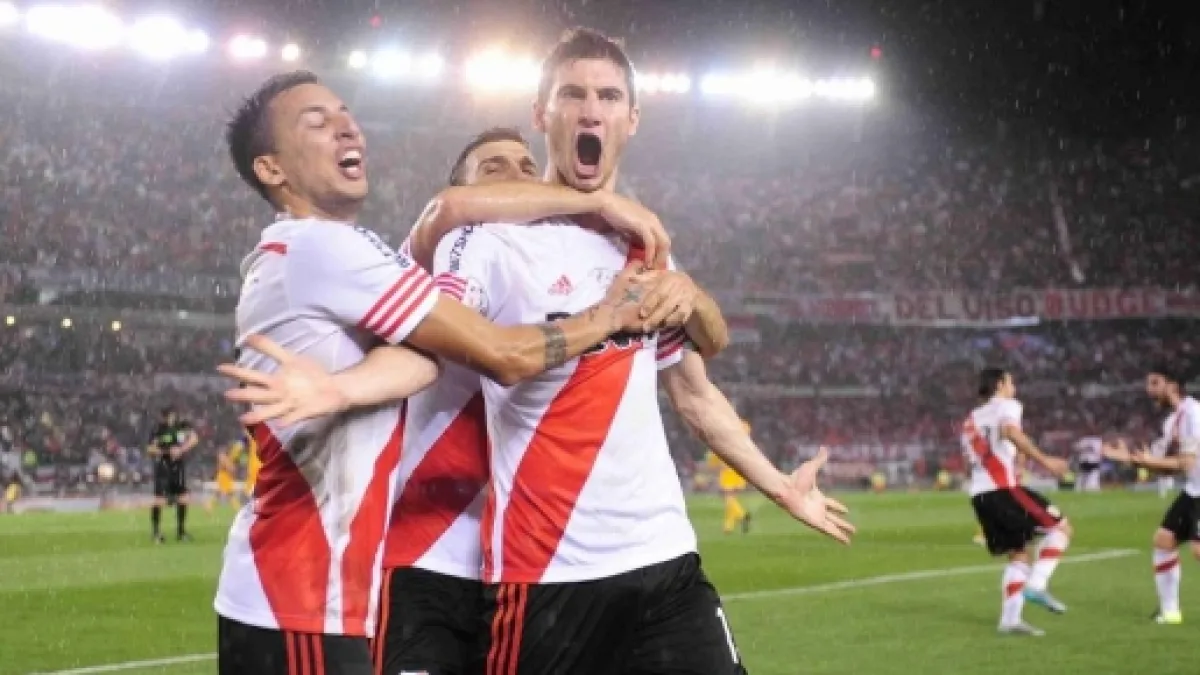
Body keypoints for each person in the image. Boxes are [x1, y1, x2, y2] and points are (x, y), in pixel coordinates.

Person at [225, 30, 855, 675]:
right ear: (543, 114)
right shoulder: (481, 241)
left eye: (608, 97)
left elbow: (696, 383)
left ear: (632, 119)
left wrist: (780, 484)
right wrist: (343, 387)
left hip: (663, 556)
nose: (591, 110)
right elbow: (449, 340)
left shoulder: (642, 244)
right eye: (573, 95)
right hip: (531, 569)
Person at [214, 70, 662, 675]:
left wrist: (341, 387)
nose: (348, 128)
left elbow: (422, 359)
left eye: (346, 115)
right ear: (272, 169)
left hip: (324, 593)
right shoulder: (327, 249)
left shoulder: (335, 253)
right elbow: (500, 352)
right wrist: (608, 308)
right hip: (303, 592)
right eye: (317, 122)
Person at [961, 367, 1071, 636]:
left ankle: (1010, 620)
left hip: (980, 495)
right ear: (999, 385)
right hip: (1002, 489)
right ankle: (1038, 584)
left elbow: (981, 455)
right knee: (1061, 528)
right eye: (1011, 382)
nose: (1014, 387)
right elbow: (1010, 431)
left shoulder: (971, 419)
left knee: (1018, 553)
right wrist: (1046, 461)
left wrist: (1016, 462)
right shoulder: (1008, 405)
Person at [1103, 362, 1198, 625]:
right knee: (1164, 541)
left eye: (1155, 383)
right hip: (1194, 491)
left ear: (1173, 385)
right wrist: (1131, 459)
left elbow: (1186, 463)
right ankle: (1170, 612)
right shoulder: (1172, 422)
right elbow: (1164, 468)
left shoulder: (1193, 414)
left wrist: (1146, 461)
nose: (1149, 390)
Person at [146, 407, 197, 543]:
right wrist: (167, 452)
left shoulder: (182, 426)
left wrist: (181, 449)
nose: (172, 418)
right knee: (159, 499)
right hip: (163, 467)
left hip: (178, 467)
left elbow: (194, 439)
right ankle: (156, 533)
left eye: (173, 416)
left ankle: (181, 532)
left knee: (183, 498)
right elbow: (150, 448)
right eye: (169, 416)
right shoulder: (158, 429)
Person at [708, 418, 752, 534]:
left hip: (728, 472)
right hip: (738, 470)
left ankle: (742, 515)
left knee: (728, 498)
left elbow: (715, 455)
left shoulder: (723, 435)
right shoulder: (742, 429)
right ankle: (728, 526)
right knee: (731, 498)